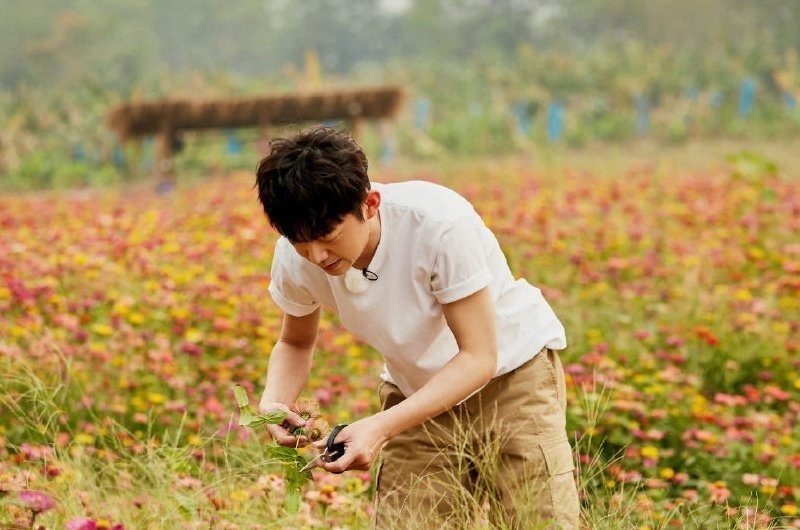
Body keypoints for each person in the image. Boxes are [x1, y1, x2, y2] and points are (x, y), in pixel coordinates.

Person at [255, 127, 580, 529]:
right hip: (416, 395)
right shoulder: (295, 258)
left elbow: (479, 357)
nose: (317, 256)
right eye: (301, 244)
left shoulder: (439, 225)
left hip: (512, 381)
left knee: (538, 521)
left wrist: (379, 428)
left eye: (328, 237)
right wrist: (275, 402)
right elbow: (295, 343)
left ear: (369, 204)